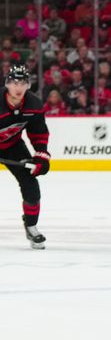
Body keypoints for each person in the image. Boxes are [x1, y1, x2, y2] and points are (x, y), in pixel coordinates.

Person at [0, 65, 51, 249]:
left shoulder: (34, 105)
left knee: (31, 186)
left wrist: (41, 158)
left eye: (23, 83)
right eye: (14, 82)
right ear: (7, 84)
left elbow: (39, 134)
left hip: (12, 146)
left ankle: (31, 227)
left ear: (28, 85)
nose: (18, 87)